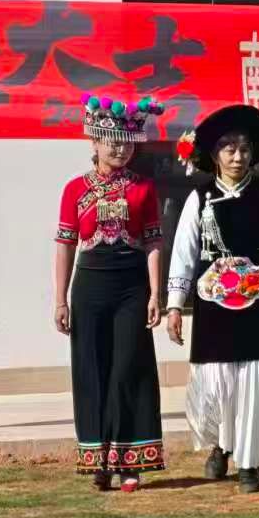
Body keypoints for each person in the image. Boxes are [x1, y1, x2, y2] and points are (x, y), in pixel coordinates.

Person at [166, 105, 259, 494]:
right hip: (213, 301)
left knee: (256, 381)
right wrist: (174, 304)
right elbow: (183, 252)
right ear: (215, 154)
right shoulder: (200, 197)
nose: (237, 156)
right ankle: (221, 445)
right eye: (229, 148)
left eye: (244, 148)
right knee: (219, 381)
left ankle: (249, 463)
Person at [53, 94, 167, 492]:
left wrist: (155, 293)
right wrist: (60, 299)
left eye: (126, 143)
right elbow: (65, 245)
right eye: (112, 142)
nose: (120, 149)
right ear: (95, 142)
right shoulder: (74, 189)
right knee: (92, 369)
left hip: (132, 286)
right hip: (90, 286)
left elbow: (153, 242)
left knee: (128, 369)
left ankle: (130, 461)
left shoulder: (144, 188)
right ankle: (98, 460)